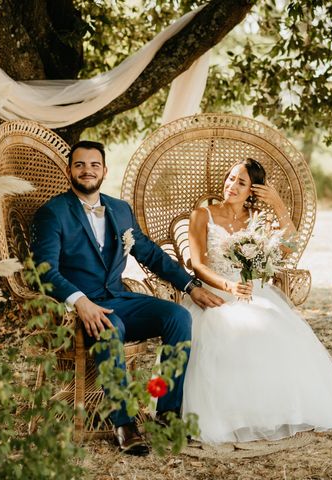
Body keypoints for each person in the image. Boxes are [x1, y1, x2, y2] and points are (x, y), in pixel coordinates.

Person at [30, 140, 224, 456]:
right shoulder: (52, 213)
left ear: (104, 170)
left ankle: (167, 412)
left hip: (119, 297)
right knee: (111, 326)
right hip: (79, 307)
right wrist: (80, 301)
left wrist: (191, 286)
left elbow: (150, 254)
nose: (87, 170)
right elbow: (43, 271)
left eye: (94, 165)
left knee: (178, 317)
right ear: (69, 170)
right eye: (80, 164)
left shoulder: (120, 210)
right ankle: (124, 423)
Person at [181, 158, 332, 444]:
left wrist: (278, 205)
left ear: (253, 190)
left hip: (254, 293)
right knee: (224, 332)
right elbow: (197, 265)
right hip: (216, 291)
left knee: (276, 329)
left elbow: (289, 247)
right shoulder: (203, 215)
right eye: (230, 178)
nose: (232, 185)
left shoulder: (258, 221)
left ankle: (268, 413)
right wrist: (229, 286)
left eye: (241, 182)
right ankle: (230, 416)